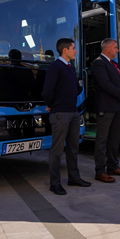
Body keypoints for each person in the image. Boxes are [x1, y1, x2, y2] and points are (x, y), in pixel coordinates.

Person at [41, 38, 89, 195]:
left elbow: (74, 88)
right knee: (57, 149)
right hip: (60, 113)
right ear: (65, 50)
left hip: (73, 112)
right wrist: (53, 104)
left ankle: (74, 178)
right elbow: (47, 91)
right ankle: (54, 183)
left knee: (73, 147)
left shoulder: (70, 67)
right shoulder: (55, 67)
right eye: (73, 48)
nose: (76, 51)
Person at [90, 38, 120, 182]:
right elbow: (105, 84)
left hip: (118, 107)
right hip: (106, 107)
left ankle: (113, 166)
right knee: (102, 140)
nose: (117, 50)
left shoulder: (114, 64)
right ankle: (100, 171)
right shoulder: (98, 63)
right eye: (115, 47)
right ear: (107, 49)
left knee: (114, 139)